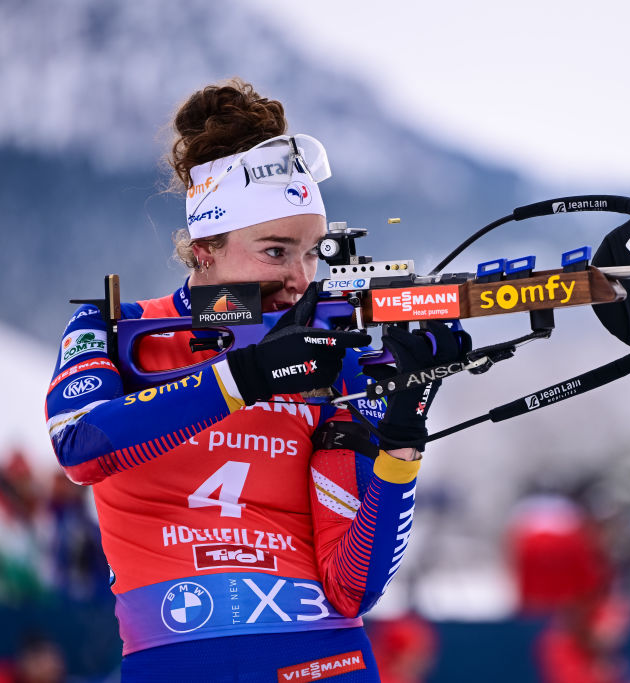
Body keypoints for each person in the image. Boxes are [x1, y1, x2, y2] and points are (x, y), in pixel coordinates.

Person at [43, 79, 464, 682]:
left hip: (326, 662)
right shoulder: (117, 331)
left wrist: (403, 432)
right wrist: (247, 376)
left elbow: (352, 586)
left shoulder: (332, 357)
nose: (300, 277)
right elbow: (80, 445)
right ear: (207, 245)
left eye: (313, 253)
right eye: (275, 251)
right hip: (180, 659)